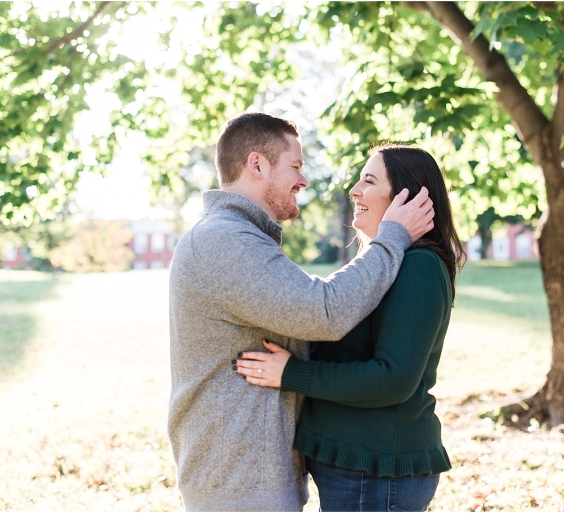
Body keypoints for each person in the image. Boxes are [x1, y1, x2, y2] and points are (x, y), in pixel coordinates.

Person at [168, 114, 436, 512]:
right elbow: (323, 313)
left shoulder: (242, 238)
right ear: (257, 165)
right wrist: (393, 237)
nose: (303, 180)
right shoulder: (224, 240)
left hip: (254, 475)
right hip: (237, 482)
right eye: (296, 166)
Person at [235, 144, 465, 512]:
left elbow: (394, 378)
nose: (354, 190)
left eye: (369, 181)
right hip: (354, 468)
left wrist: (293, 374)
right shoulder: (381, 263)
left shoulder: (419, 268)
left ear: (406, 198)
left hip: (376, 471)